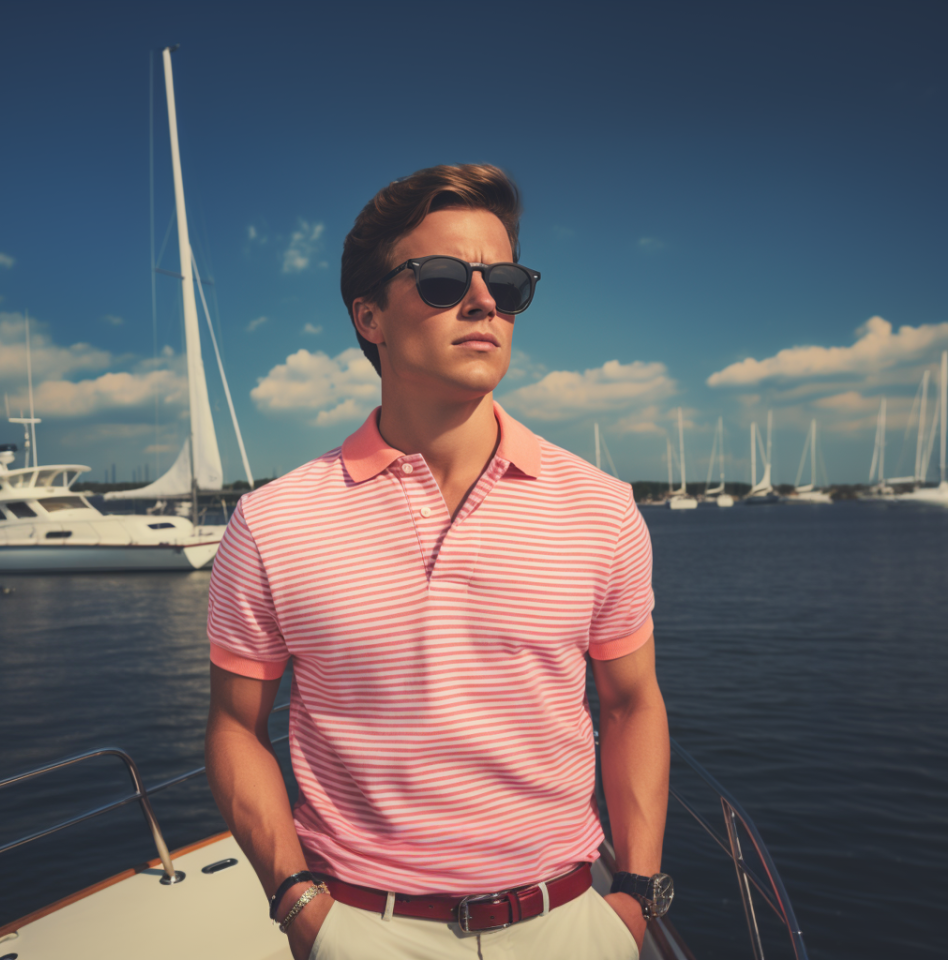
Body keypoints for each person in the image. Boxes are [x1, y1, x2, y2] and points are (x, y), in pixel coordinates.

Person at [205, 163, 670, 960]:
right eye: (443, 279)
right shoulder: (273, 522)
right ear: (370, 316)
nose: (485, 300)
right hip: (363, 928)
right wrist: (299, 904)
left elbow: (632, 704)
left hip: (572, 923)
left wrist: (633, 897)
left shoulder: (601, 507)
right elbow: (234, 727)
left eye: (507, 283)